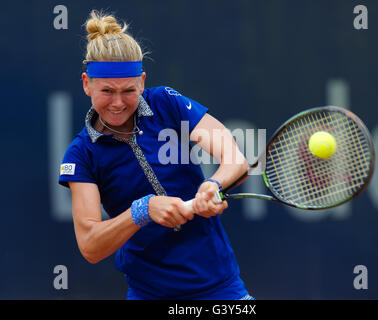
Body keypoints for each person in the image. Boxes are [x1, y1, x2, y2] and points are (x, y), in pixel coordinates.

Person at [58, 10, 253, 300]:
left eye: (129, 90)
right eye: (107, 90)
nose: (118, 102)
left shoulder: (165, 103)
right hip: (149, 294)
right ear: (87, 84)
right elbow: (90, 244)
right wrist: (142, 211)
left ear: (143, 82)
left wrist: (214, 185)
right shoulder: (80, 154)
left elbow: (235, 158)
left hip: (223, 290)